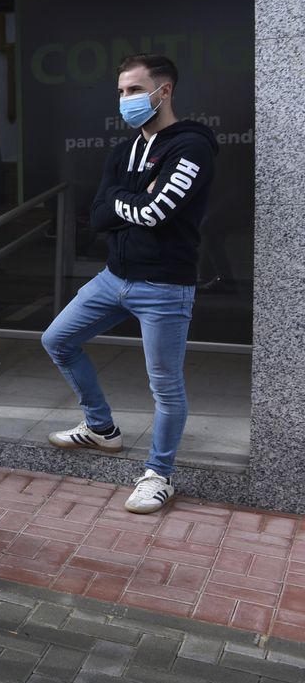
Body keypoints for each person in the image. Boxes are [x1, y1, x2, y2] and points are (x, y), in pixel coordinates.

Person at [43, 54, 218, 515]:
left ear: (165, 92)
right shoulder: (124, 151)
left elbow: (156, 212)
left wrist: (126, 202)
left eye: (136, 90)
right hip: (113, 279)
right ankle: (101, 428)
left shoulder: (192, 146)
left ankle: (159, 475)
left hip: (164, 288)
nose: (126, 99)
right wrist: (132, 198)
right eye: (122, 91)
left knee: (165, 387)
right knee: (57, 339)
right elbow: (98, 214)